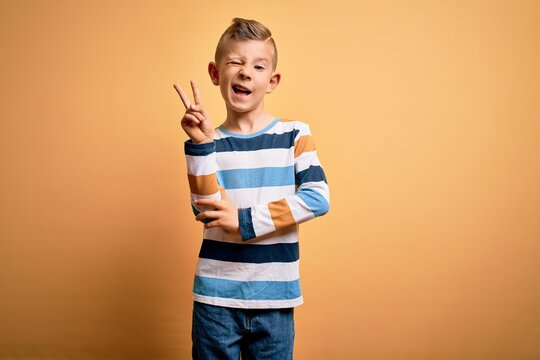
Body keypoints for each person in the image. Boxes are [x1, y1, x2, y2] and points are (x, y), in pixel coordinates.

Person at [173, 17, 330, 360]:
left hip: (275, 300)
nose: (246, 72)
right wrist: (200, 144)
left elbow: (317, 198)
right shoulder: (208, 142)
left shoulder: (294, 135)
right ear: (216, 74)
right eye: (235, 62)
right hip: (215, 299)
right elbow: (204, 210)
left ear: (271, 80)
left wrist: (245, 221)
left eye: (258, 66)